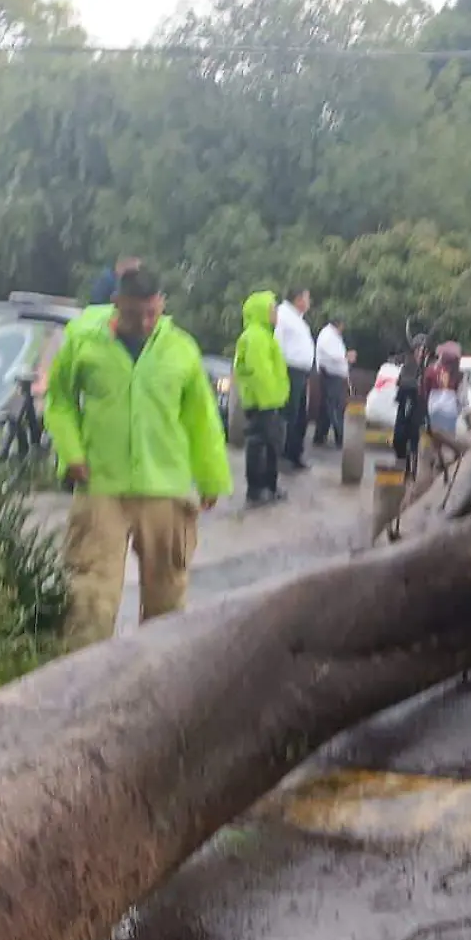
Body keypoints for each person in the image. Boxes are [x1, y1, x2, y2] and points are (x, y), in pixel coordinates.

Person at [43, 267, 232, 652]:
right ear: (116, 305)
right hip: (101, 486)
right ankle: (83, 680)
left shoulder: (181, 348)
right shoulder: (83, 342)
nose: (144, 323)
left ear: (161, 304)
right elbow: (59, 401)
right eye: (133, 315)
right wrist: (71, 453)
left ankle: (158, 674)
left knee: (167, 596)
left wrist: (212, 477)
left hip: (166, 486)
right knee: (89, 596)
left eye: (151, 313)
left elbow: (202, 418)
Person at [234, 290, 290, 507]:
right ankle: (260, 489)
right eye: (272, 308)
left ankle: (264, 488)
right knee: (263, 445)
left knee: (265, 444)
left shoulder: (262, 335)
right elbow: (260, 373)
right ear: (262, 311)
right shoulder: (257, 337)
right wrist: (270, 400)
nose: (276, 313)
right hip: (264, 402)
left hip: (265, 400)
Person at [275, 287, 316, 470]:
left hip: (301, 371)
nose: (309, 302)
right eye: (307, 298)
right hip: (288, 370)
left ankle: (295, 453)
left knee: (300, 416)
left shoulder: (298, 319)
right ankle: (284, 455)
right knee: (289, 414)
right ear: (298, 299)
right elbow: (277, 343)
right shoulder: (283, 315)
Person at [311, 315, 350, 448]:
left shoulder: (332, 335)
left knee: (327, 407)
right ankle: (340, 437)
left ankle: (320, 436)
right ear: (339, 324)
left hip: (333, 375)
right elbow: (332, 354)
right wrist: (346, 356)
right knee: (335, 406)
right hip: (330, 375)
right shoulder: (328, 335)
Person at [392, 336, 430, 462]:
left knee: (415, 428)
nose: (421, 352)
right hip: (407, 395)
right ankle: (401, 453)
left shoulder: (427, 364)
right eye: (419, 349)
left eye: (424, 349)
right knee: (402, 427)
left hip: (420, 400)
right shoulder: (408, 363)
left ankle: (413, 454)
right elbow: (402, 380)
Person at [424, 340, 465, 436]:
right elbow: (462, 397)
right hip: (450, 411)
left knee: (435, 440)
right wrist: (461, 410)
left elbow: (425, 390)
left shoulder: (430, 370)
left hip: (434, 410)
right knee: (449, 440)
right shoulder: (459, 374)